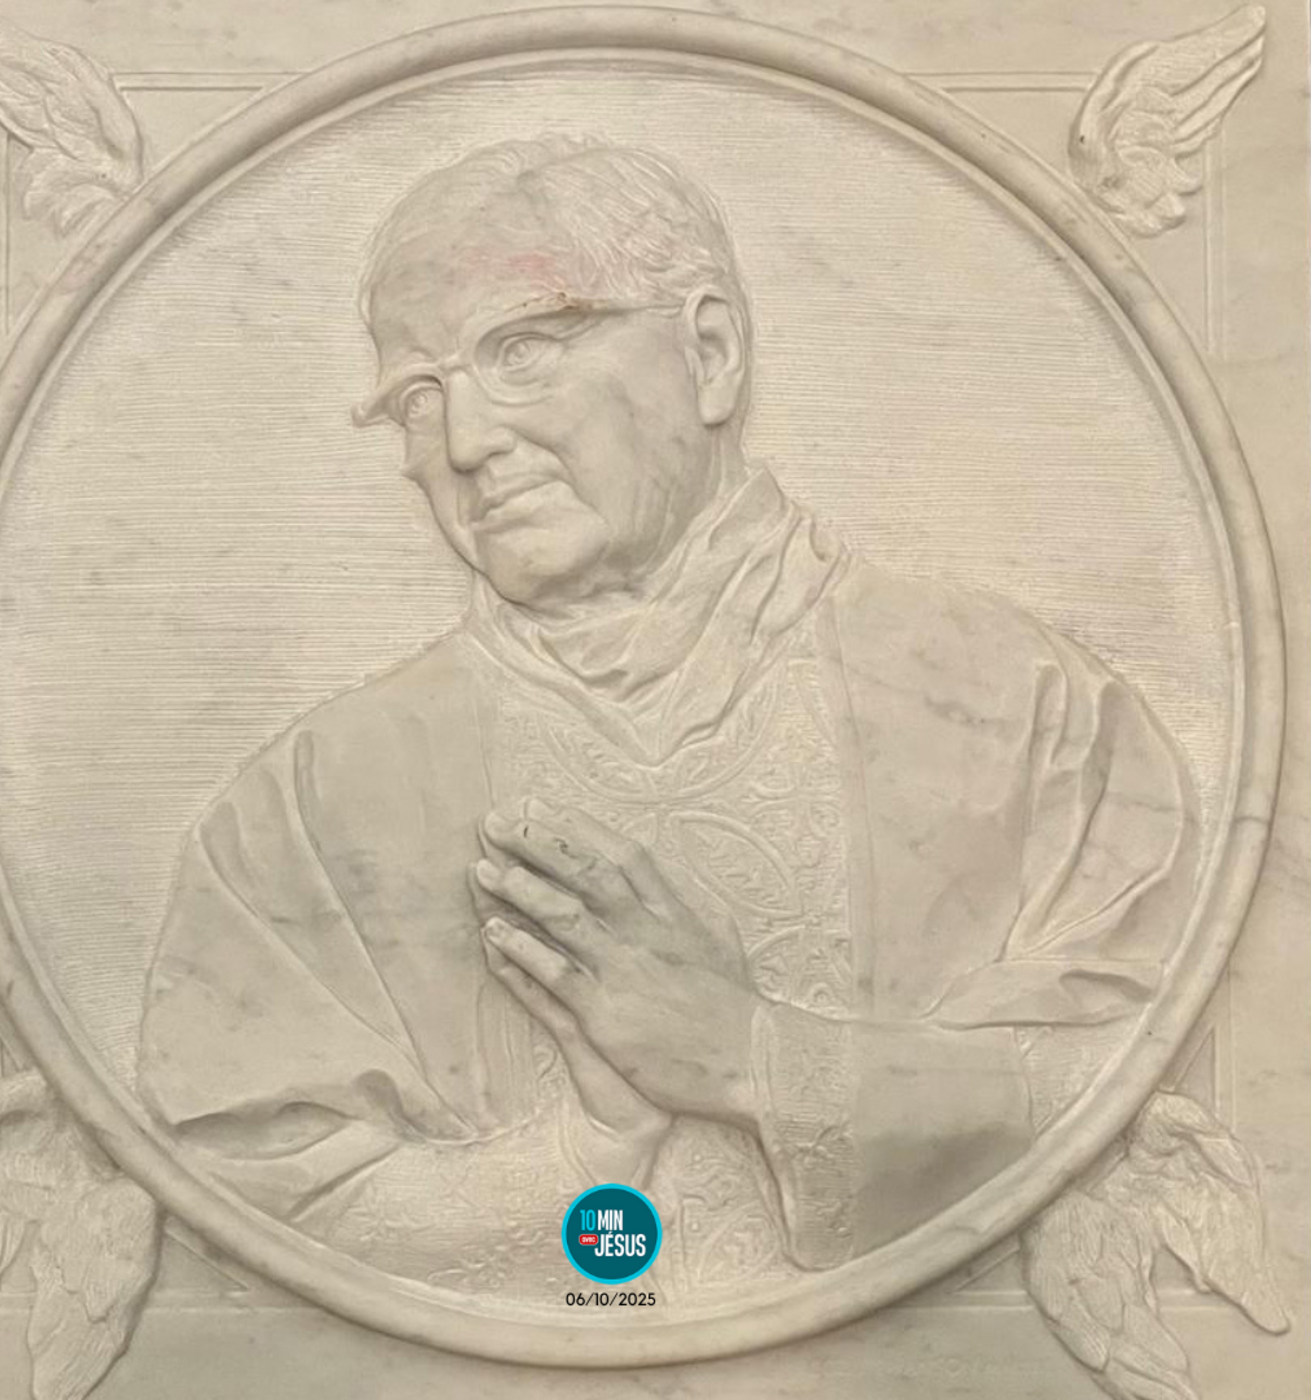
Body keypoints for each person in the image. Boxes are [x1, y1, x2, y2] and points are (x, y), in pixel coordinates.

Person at [138, 137, 1197, 1302]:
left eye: (520, 351)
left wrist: (755, 1056)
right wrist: (574, 1159)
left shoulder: (1029, 715)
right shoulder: (305, 807)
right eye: (418, 401)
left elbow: (1149, 1083)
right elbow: (240, 1207)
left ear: (708, 353)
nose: (464, 443)